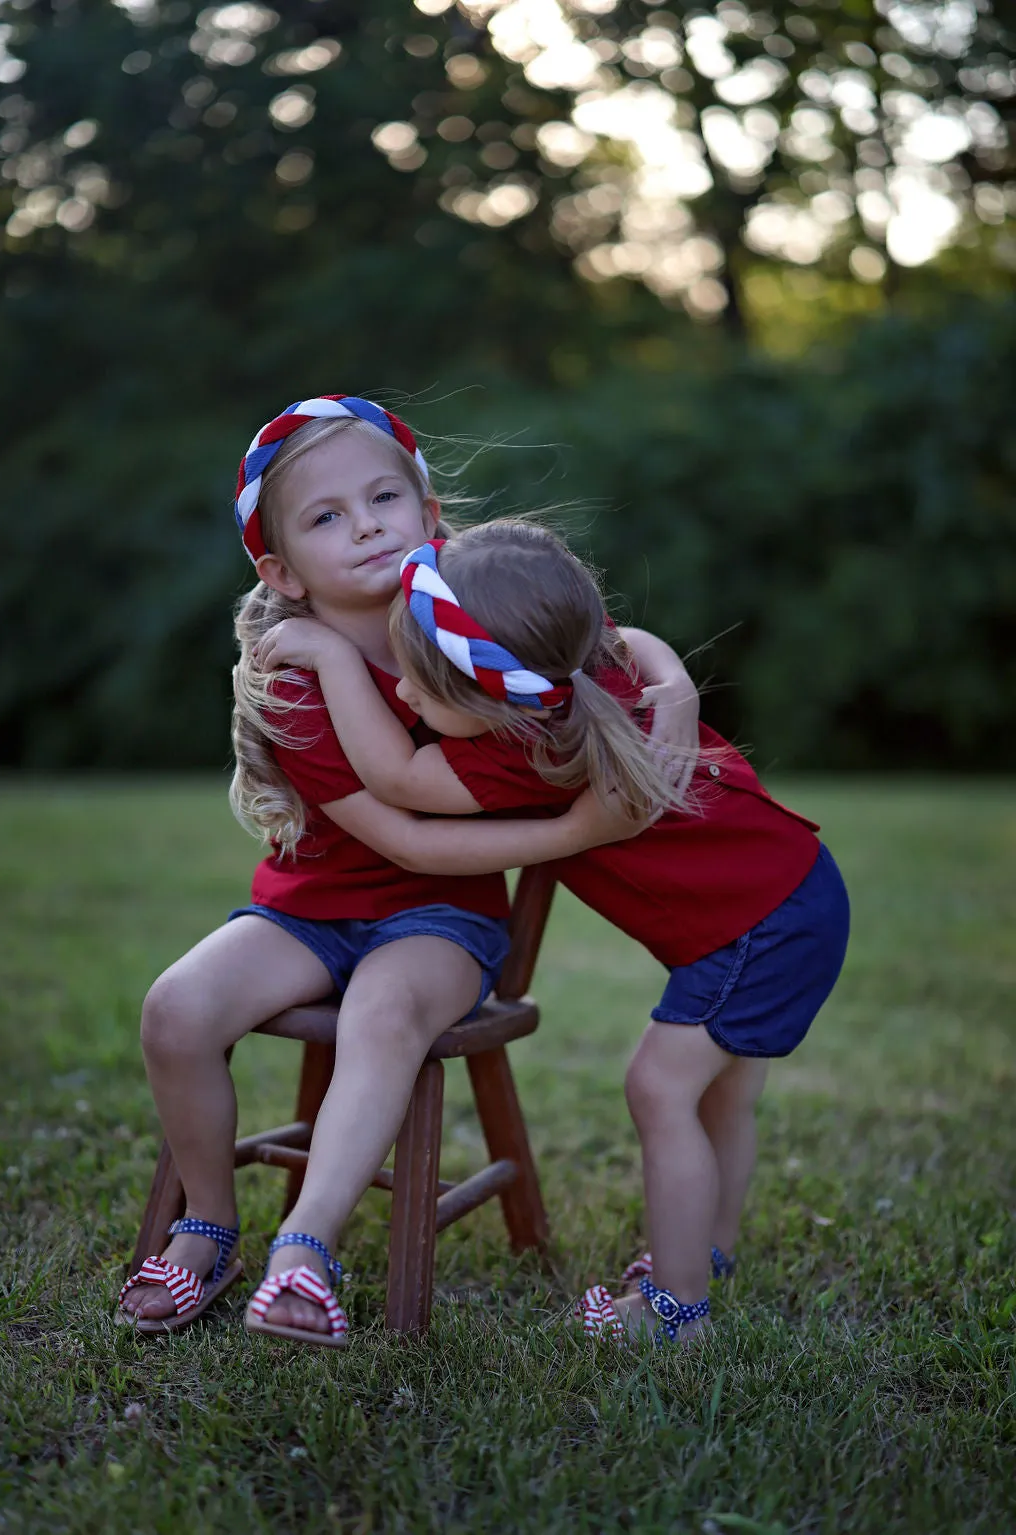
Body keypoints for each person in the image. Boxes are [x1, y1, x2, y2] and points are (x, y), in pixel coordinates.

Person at [118, 397, 698, 1347]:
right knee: (176, 1009)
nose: (367, 524)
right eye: (327, 516)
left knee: (379, 1015)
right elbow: (400, 833)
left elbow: (610, 642)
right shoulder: (290, 675)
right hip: (313, 909)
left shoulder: (473, 615)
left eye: (384, 496)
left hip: (444, 918)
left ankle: (305, 1247)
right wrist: (575, 830)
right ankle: (209, 1226)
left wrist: (670, 688)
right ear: (283, 573)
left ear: (429, 514)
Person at [255, 519, 851, 1346]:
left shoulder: (521, 747)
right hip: (793, 888)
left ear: (489, 697)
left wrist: (326, 656)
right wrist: (673, 678)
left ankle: (678, 1311)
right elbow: (626, 638)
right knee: (726, 1092)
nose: (403, 696)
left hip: (761, 924)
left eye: (424, 690)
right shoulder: (571, 680)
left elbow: (393, 775)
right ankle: (705, 1255)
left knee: (662, 1088)